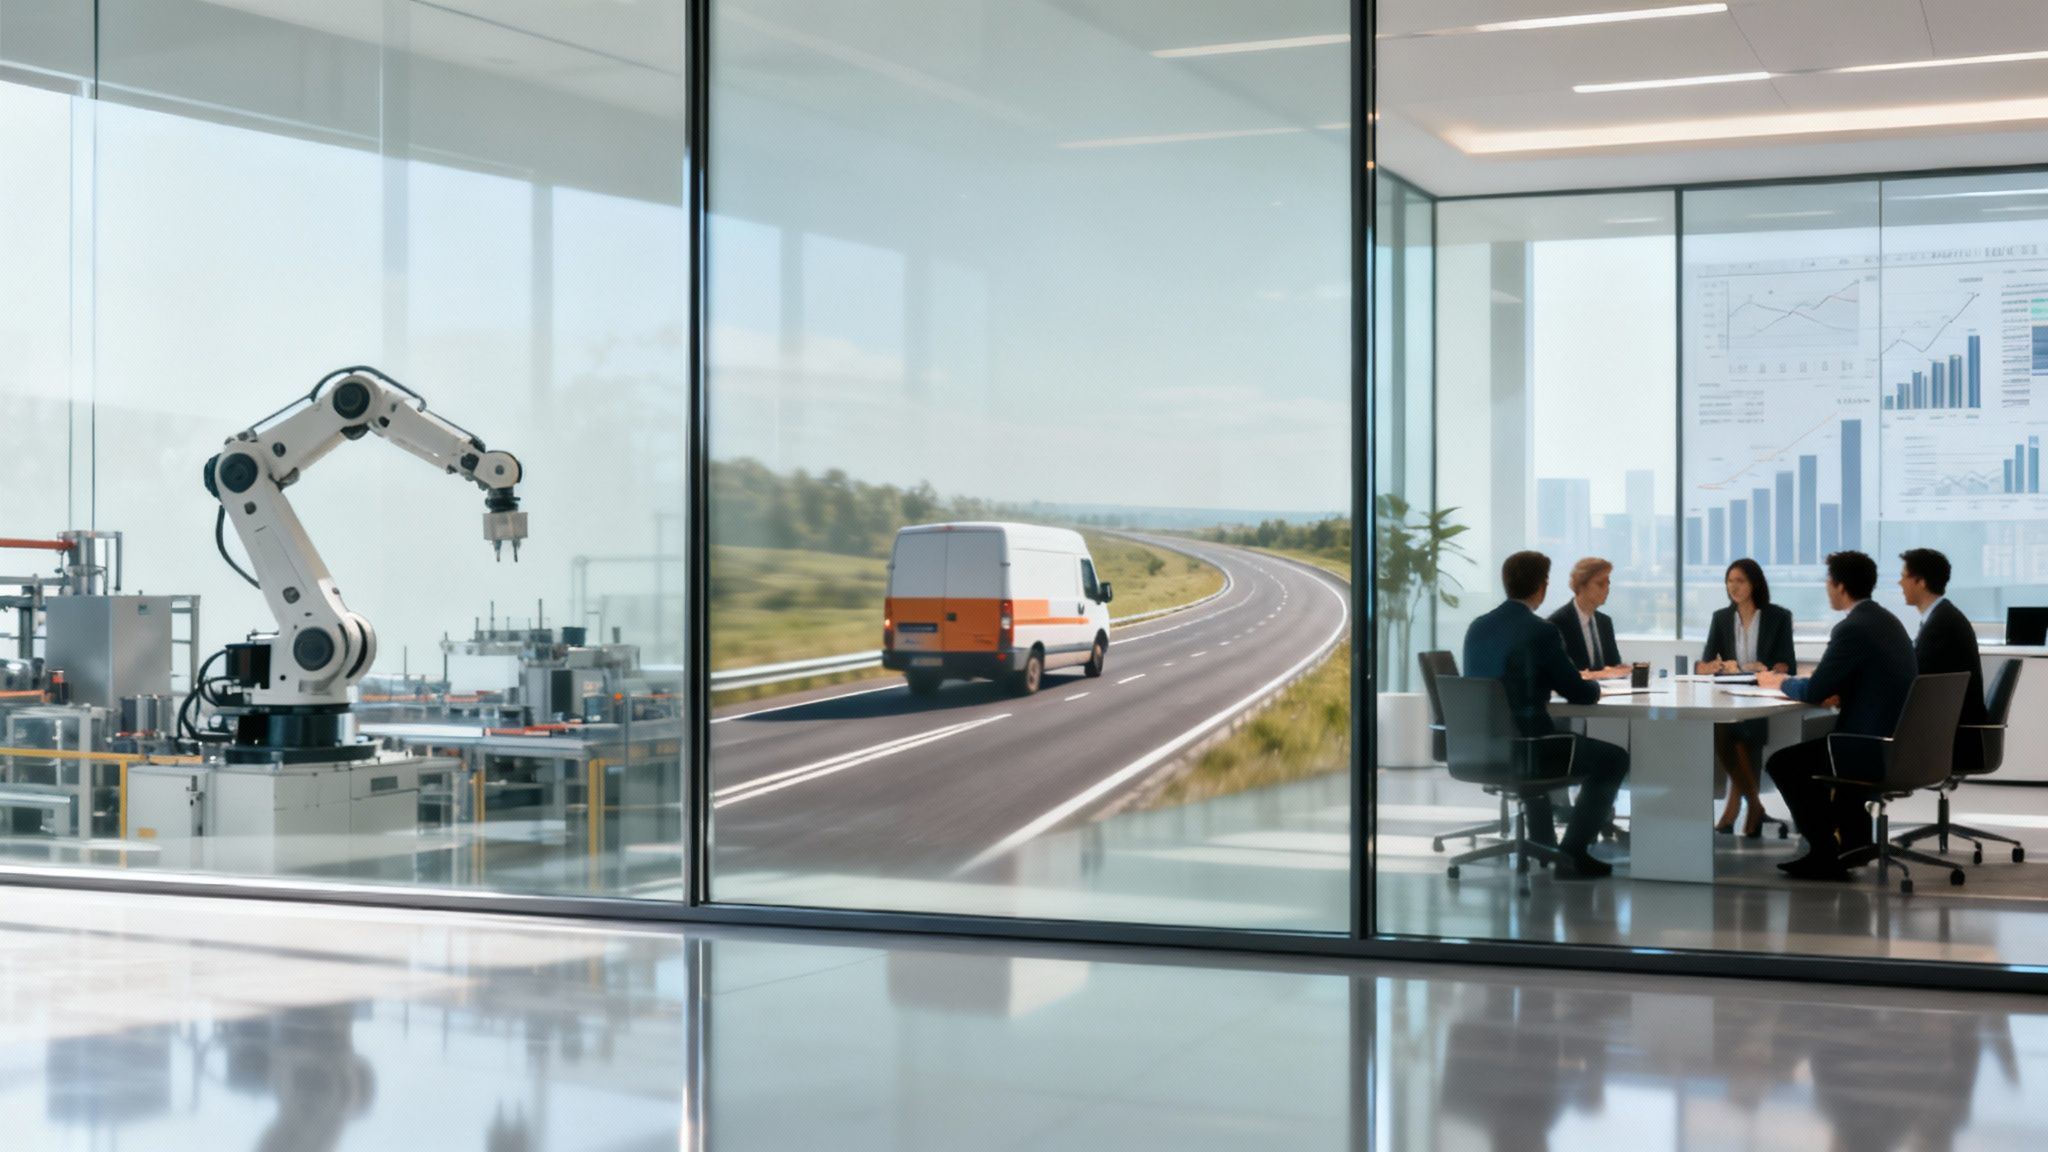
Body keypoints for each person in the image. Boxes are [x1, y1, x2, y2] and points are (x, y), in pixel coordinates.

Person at [1463, 551, 1632, 879]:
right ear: (1542, 587)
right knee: (1613, 759)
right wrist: (1597, 686)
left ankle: (1543, 844)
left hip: (1478, 746)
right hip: (1528, 749)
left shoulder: (1477, 628)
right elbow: (1581, 694)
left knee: (1542, 732)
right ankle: (1573, 853)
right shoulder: (1541, 632)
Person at [1757, 551, 1918, 881]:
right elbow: (1865, 677)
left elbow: (1816, 690)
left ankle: (1824, 851)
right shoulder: (1885, 620)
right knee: (1809, 754)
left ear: (1840, 586)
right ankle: (1850, 842)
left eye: (1829, 583)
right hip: (1897, 741)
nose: (1827, 589)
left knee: (1784, 763)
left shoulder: (1853, 628)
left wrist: (1781, 682)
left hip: (1867, 746)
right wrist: (1838, 690)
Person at [1697, 558, 1797, 836]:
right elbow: (1704, 663)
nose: (1733, 587)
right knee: (1724, 731)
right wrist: (1715, 666)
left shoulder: (1778, 617)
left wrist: (1767, 668)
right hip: (1728, 692)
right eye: (1729, 581)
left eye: (1740, 580)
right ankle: (1753, 805)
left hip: (1761, 694)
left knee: (1743, 734)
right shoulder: (1721, 617)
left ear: (1754, 583)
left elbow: (1787, 663)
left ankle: (1736, 812)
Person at [1899, 547, 1987, 772]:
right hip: (1954, 728)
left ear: (1920, 582)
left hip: (1954, 735)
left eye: (1904, 576)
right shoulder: (1942, 617)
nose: (1900, 583)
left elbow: (1914, 679)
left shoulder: (1941, 625)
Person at [1548, 557, 1631, 679]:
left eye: (1608, 583)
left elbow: (1613, 665)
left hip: (1608, 694)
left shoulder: (1605, 622)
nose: (1607, 589)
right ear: (1581, 585)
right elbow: (1560, 674)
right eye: (1600, 584)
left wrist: (1623, 670)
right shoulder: (1557, 623)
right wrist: (1604, 673)